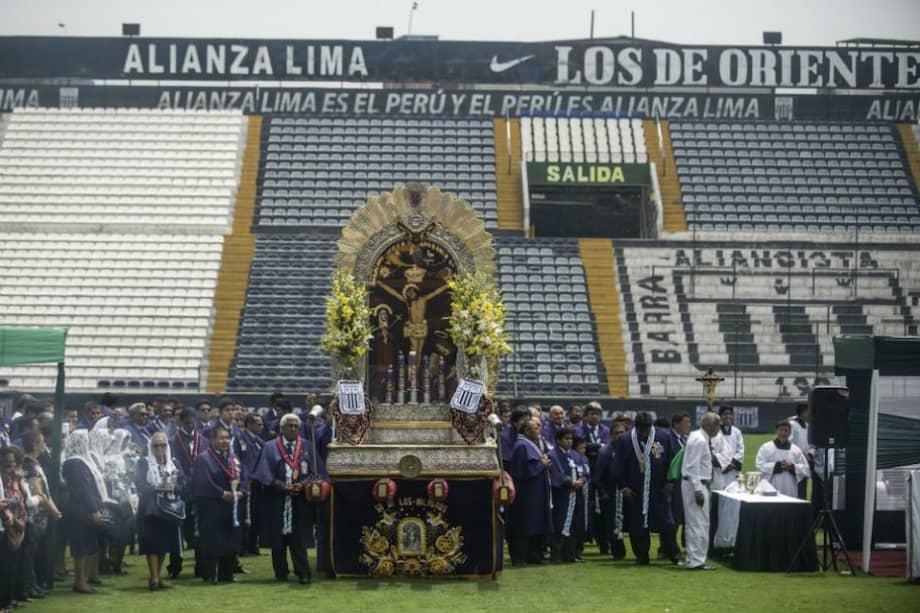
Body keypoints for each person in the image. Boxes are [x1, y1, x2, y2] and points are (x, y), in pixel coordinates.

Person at [254, 414, 319, 584]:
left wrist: (303, 484)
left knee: (298, 539)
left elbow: (315, 472)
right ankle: (280, 573)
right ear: (282, 428)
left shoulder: (306, 446)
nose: (293, 429)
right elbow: (263, 472)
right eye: (289, 426)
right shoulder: (270, 447)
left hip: (300, 501)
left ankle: (303, 572)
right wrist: (281, 486)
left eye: (295, 426)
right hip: (276, 500)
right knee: (278, 539)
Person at [612, 411, 678, 565]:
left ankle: (673, 553)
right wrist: (624, 487)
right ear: (636, 427)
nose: (645, 432)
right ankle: (641, 555)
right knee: (637, 525)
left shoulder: (663, 437)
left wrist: (671, 482)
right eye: (642, 429)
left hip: (658, 489)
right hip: (635, 491)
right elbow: (618, 467)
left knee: (667, 523)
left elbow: (672, 461)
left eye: (647, 428)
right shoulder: (626, 440)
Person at [192, 425, 247, 584]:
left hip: (233, 506)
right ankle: (209, 575)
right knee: (212, 540)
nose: (225, 441)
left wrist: (242, 491)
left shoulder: (233, 457)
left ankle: (227, 574)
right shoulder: (204, 458)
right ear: (212, 440)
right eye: (221, 438)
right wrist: (222, 494)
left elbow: (244, 476)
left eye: (227, 438)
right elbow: (204, 481)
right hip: (212, 506)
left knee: (231, 539)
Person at [135, 432, 184, 590]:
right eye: (156, 445)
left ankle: (156, 576)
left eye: (163, 445)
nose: (160, 448)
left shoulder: (174, 463)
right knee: (152, 543)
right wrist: (157, 488)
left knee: (164, 544)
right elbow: (139, 484)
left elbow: (183, 483)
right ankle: (154, 578)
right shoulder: (144, 463)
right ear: (151, 447)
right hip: (150, 508)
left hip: (169, 507)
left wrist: (174, 487)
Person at [61, 430, 108, 594]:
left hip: (85, 508)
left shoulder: (83, 461)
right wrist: (94, 509)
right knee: (81, 546)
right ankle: (80, 582)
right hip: (79, 510)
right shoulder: (74, 463)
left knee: (89, 545)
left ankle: (86, 579)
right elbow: (82, 488)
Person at [22, 431, 62, 596]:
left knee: (35, 551)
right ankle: (29, 586)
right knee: (31, 552)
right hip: (35, 516)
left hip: (40, 516)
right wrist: (54, 511)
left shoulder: (34, 463)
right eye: (42, 442)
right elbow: (39, 492)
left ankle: (34, 584)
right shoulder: (30, 466)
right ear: (35, 444)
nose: (44, 445)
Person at [170, 406, 208, 579]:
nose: (191, 426)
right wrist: (183, 481)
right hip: (181, 491)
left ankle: (201, 566)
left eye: (193, 422)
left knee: (199, 530)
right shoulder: (172, 441)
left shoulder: (204, 442)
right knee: (177, 529)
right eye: (187, 423)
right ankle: (175, 566)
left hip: (200, 491)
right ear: (181, 422)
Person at [509, 417, 553, 566]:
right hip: (527, 494)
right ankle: (521, 557)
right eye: (535, 428)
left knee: (535, 524)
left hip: (536, 492)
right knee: (525, 524)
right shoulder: (522, 446)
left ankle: (534, 555)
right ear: (526, 430)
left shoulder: (530, 444)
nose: (539, 430)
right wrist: (542, 464)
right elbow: (524, 471)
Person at [681, 411, 721, 571]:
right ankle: (695, 560)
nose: (719, 429)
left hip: (698, 483)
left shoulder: (699, 437)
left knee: (699, 523)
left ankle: (697, 558)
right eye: (718, 425)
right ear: (710, 426)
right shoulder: (699, 440)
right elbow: (692, 466)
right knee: (697, 523)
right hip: (695, 485)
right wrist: (698, 490)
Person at [577, 401, 610, 554]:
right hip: (585, 474)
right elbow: (580, 447)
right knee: (584, 510)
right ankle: (580, 543)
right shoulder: (578, 430)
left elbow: (607, 447)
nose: (595, 417)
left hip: (602, 475)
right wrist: (598, 447)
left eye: (597, 414)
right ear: (586, 416)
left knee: (603, 511)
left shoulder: (606, 430)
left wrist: (590, 447)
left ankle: (604, 544)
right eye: (591, 414)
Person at [593, 418, 627, 560]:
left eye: (622, 432)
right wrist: (602, 491)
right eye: (617, 433)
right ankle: (617, 549)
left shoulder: (628, 448)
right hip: (612, 492)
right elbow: (598, 475)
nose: (620, 435)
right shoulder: (605, 451)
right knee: (613, 521)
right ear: (611, 435)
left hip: (626, 491)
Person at [549, 428, 584, 563]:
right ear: (559, 440)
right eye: (566, 439)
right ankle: (556, 555)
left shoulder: (576, 455)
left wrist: (582, 481)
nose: (569, 441)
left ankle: (570, 554)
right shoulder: (553, 455)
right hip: (562, 496)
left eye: (571, 439)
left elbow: (585, 471)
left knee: (573, 524)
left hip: (576, 496)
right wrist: (570, 482)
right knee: (559, 523)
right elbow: (557, 474)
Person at [1, 445, 28, 610]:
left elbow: (22, 499)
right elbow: (6, 507)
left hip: (17, 526)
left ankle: (9, 599)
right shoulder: (3, 480)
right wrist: (13, 527)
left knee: (12, 566)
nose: (10, 465)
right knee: (4, 568)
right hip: (8, 527)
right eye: (6, 462)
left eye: (12, 462)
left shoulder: (14, 479)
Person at [755, 420, 810, 498]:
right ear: (776, 431)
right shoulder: (766, 447)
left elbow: (806, 469)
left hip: (790, 488)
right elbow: (759, 466)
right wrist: (778, 465)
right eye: (781, 430)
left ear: (790, 432)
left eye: (786, 430)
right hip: (771, 487)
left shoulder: (796, 450)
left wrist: (792, 467)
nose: (783, 433)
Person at [238, 413, 265, 557]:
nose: (261, 426)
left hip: (258, 483)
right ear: (249, 424)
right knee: (246, 517)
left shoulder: (258, 440)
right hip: (248, 483)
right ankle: (244, 547)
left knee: (256, 516)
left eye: (262, 424)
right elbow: (244, 462)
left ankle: (253, 546)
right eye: (258, 424)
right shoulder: (242, 439)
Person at [714, 406, 745, 489]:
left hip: (733, 468)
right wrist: (724, 464)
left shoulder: (737, 432)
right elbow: (714, 451)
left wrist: (732, 463)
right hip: (720, 469)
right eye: (725, 414)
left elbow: (741, 450)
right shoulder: (715, 432)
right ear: (720, 416)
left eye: (730, 414)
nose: (728, 416)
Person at [789, 404, 811, 499]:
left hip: (806, 459)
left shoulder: (807, 425)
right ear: (804, 412)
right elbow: (789, 441)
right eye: (808, 411)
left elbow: (809, 443)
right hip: (795, 459)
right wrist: (800, 454)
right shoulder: (792, 424)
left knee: (803, 485)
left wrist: (810, 454)